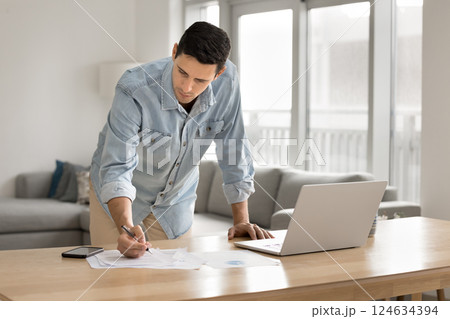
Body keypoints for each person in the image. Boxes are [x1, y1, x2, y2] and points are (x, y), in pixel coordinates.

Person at [89, 21, 272, 258]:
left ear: (219, 73)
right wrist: (125, 226)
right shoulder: (134, 88)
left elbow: (233, 147)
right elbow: (116, 167)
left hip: (175, 202)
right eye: (182, 72)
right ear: (174, 52)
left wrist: (242, 221)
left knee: (177, 284)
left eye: (201, 81)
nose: (187, 87)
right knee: (116, 282)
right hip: (117, 198)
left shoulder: (229, 83)